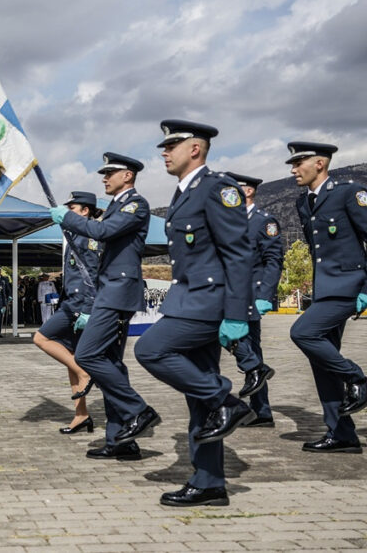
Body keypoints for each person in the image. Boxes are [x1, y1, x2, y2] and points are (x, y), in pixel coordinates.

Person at [132, 120, 257, 507]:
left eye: (171, 145)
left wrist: (237, 315)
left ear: (196, 149)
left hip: (206, 302)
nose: (164, 152)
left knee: (150, 350)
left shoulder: (217, 188)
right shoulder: (185, 191)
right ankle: (209, 483)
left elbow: (238, 254)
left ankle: (229, 401)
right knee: (198, 396)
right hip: (189, 299)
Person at [52, 153, 154, 461]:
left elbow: (103, 233)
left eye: (111, 172)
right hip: (109, 291)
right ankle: (120, 440)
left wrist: (69, 218)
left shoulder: (136, 205)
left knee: (87, 354)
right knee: (112, 366)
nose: (104, 178)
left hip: (119, 293)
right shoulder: (114, 207)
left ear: (128, 176)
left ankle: (138, 409)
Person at [285, 141, 367, 453]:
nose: (293, 170)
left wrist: (366, 289)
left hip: (349, 285)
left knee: (303, 332)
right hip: (324, 289)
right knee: (322, 359)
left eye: (299, 162)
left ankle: (357, 378)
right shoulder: (302, 203)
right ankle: (342, 433)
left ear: (320, 164)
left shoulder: (349, 192)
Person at [34, 194, 103, 432]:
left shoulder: (89, 235)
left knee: (41, 337)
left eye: (71, 208)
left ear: (84, 211)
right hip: (71, 302)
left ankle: (84, 373)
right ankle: (81, 414)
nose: (66, 211)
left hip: (79, 305)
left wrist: (88, 309)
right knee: (70, 358)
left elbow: (93, 276)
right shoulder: (75, 235)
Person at [223, 172, 282, 424]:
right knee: (251, 349)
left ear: (247, 192)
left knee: (231, 337)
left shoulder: (263, 221)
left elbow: (273, 260)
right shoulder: (228, 222)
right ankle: (263, 411)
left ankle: (255, 377)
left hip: (251, 295)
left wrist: (265, 295)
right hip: (230, 293)